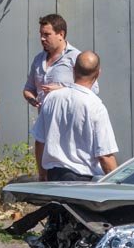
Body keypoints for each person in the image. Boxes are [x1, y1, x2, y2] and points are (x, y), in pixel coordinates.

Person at [32, 50, 118, 181]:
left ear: (73, 69)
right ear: (98, 74)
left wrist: (42, 175)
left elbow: (40, 141)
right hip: (83, 182)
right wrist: (117, 183)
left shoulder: (51, 98)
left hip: (54, 177)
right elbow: (105, 156)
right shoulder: (96, 106)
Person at [23, 13, 93, 108]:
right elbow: (29, 89)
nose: (42, 38)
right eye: (41, 34)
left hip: (68, 116)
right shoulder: (38, 59)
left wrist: (63, 91)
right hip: (43, 116)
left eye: (47, 34)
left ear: (61, 34)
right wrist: (31, 99)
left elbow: (92, 89)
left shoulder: (76, 57)